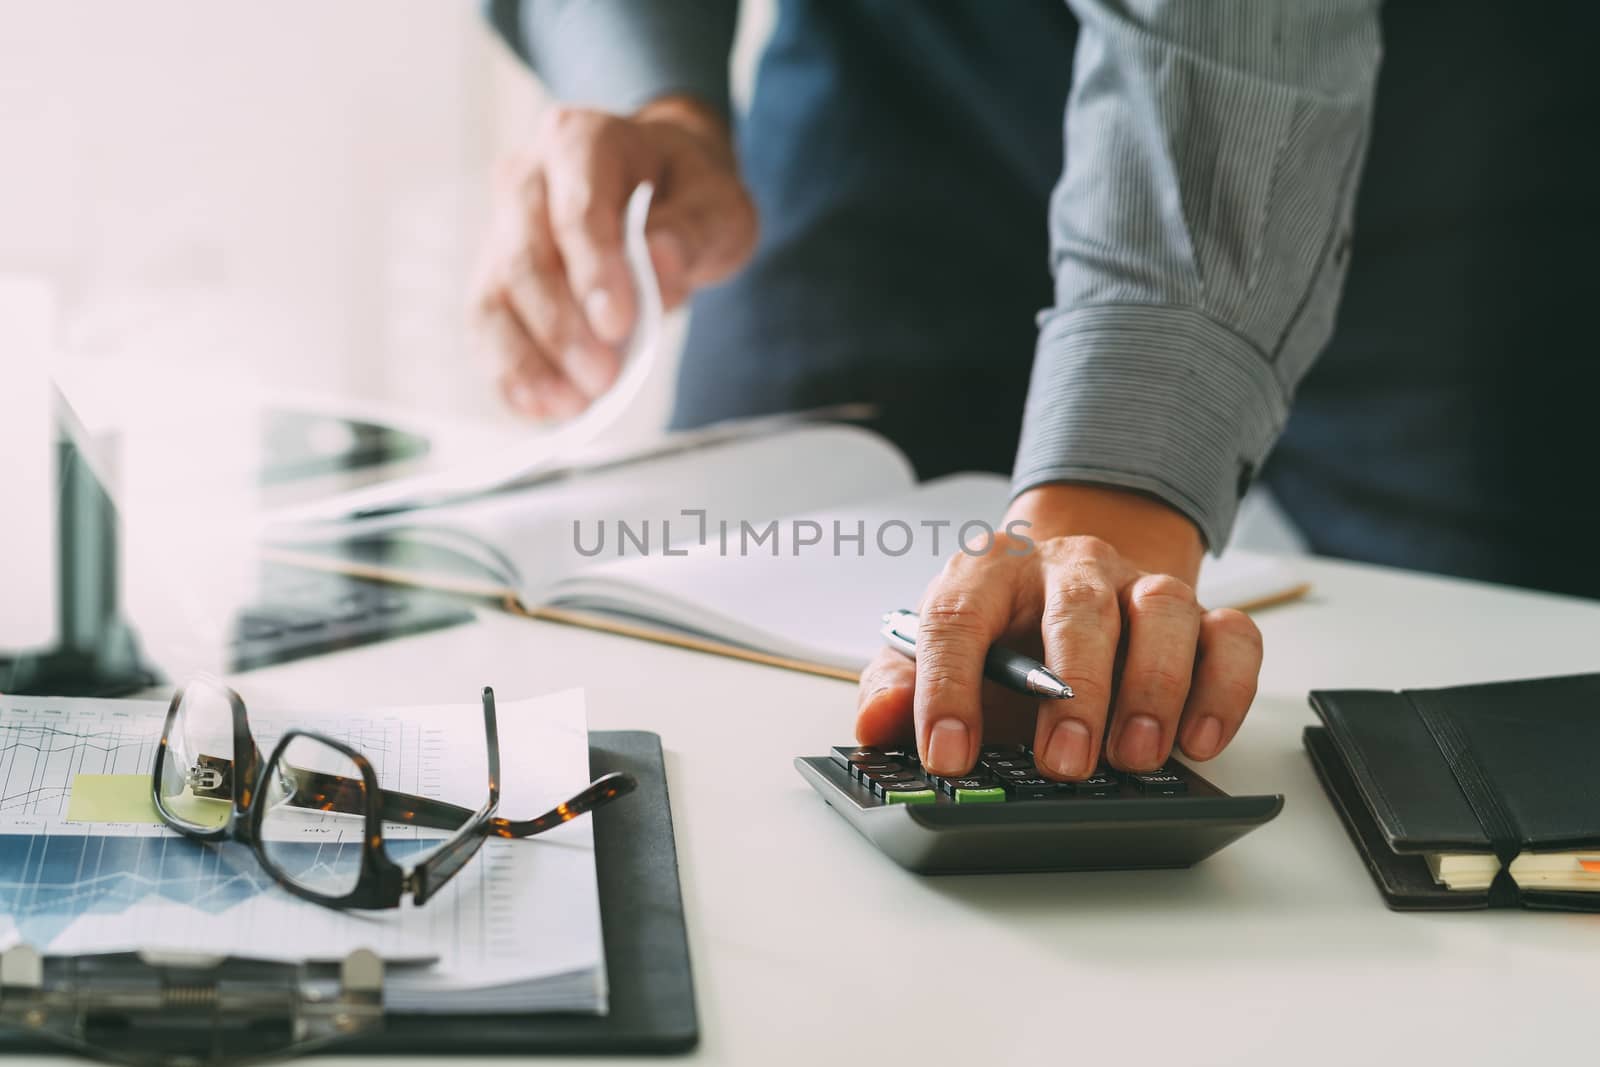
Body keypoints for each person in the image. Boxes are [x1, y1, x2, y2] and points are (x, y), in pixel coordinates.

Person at [471, 1, 1598, 781]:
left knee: (1508, 735)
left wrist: (1112, 486)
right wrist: (656, 89)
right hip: (897, 77)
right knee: (733, 688)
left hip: (1436, 117)